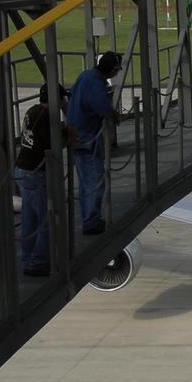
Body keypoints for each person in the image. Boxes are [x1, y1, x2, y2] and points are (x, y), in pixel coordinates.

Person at [13, 84, 68, 276]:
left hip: (23, 169)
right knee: (46, 220)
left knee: (30, 220)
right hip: (36, 172)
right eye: (62, 98)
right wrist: (67, 133)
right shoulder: (47, 117)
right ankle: (38, 262)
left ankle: (28, 258)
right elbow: (53, 144)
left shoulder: (33, 110)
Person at [67, 51, 121, 235]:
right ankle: (91, 221)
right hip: (87, 138)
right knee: (95, 181)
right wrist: (113, 114)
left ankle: (89, 217)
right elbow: (102, 107)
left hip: (77, 135)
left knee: (85, 182)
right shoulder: (95, 82)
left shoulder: (86, 75)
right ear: (112, 70)